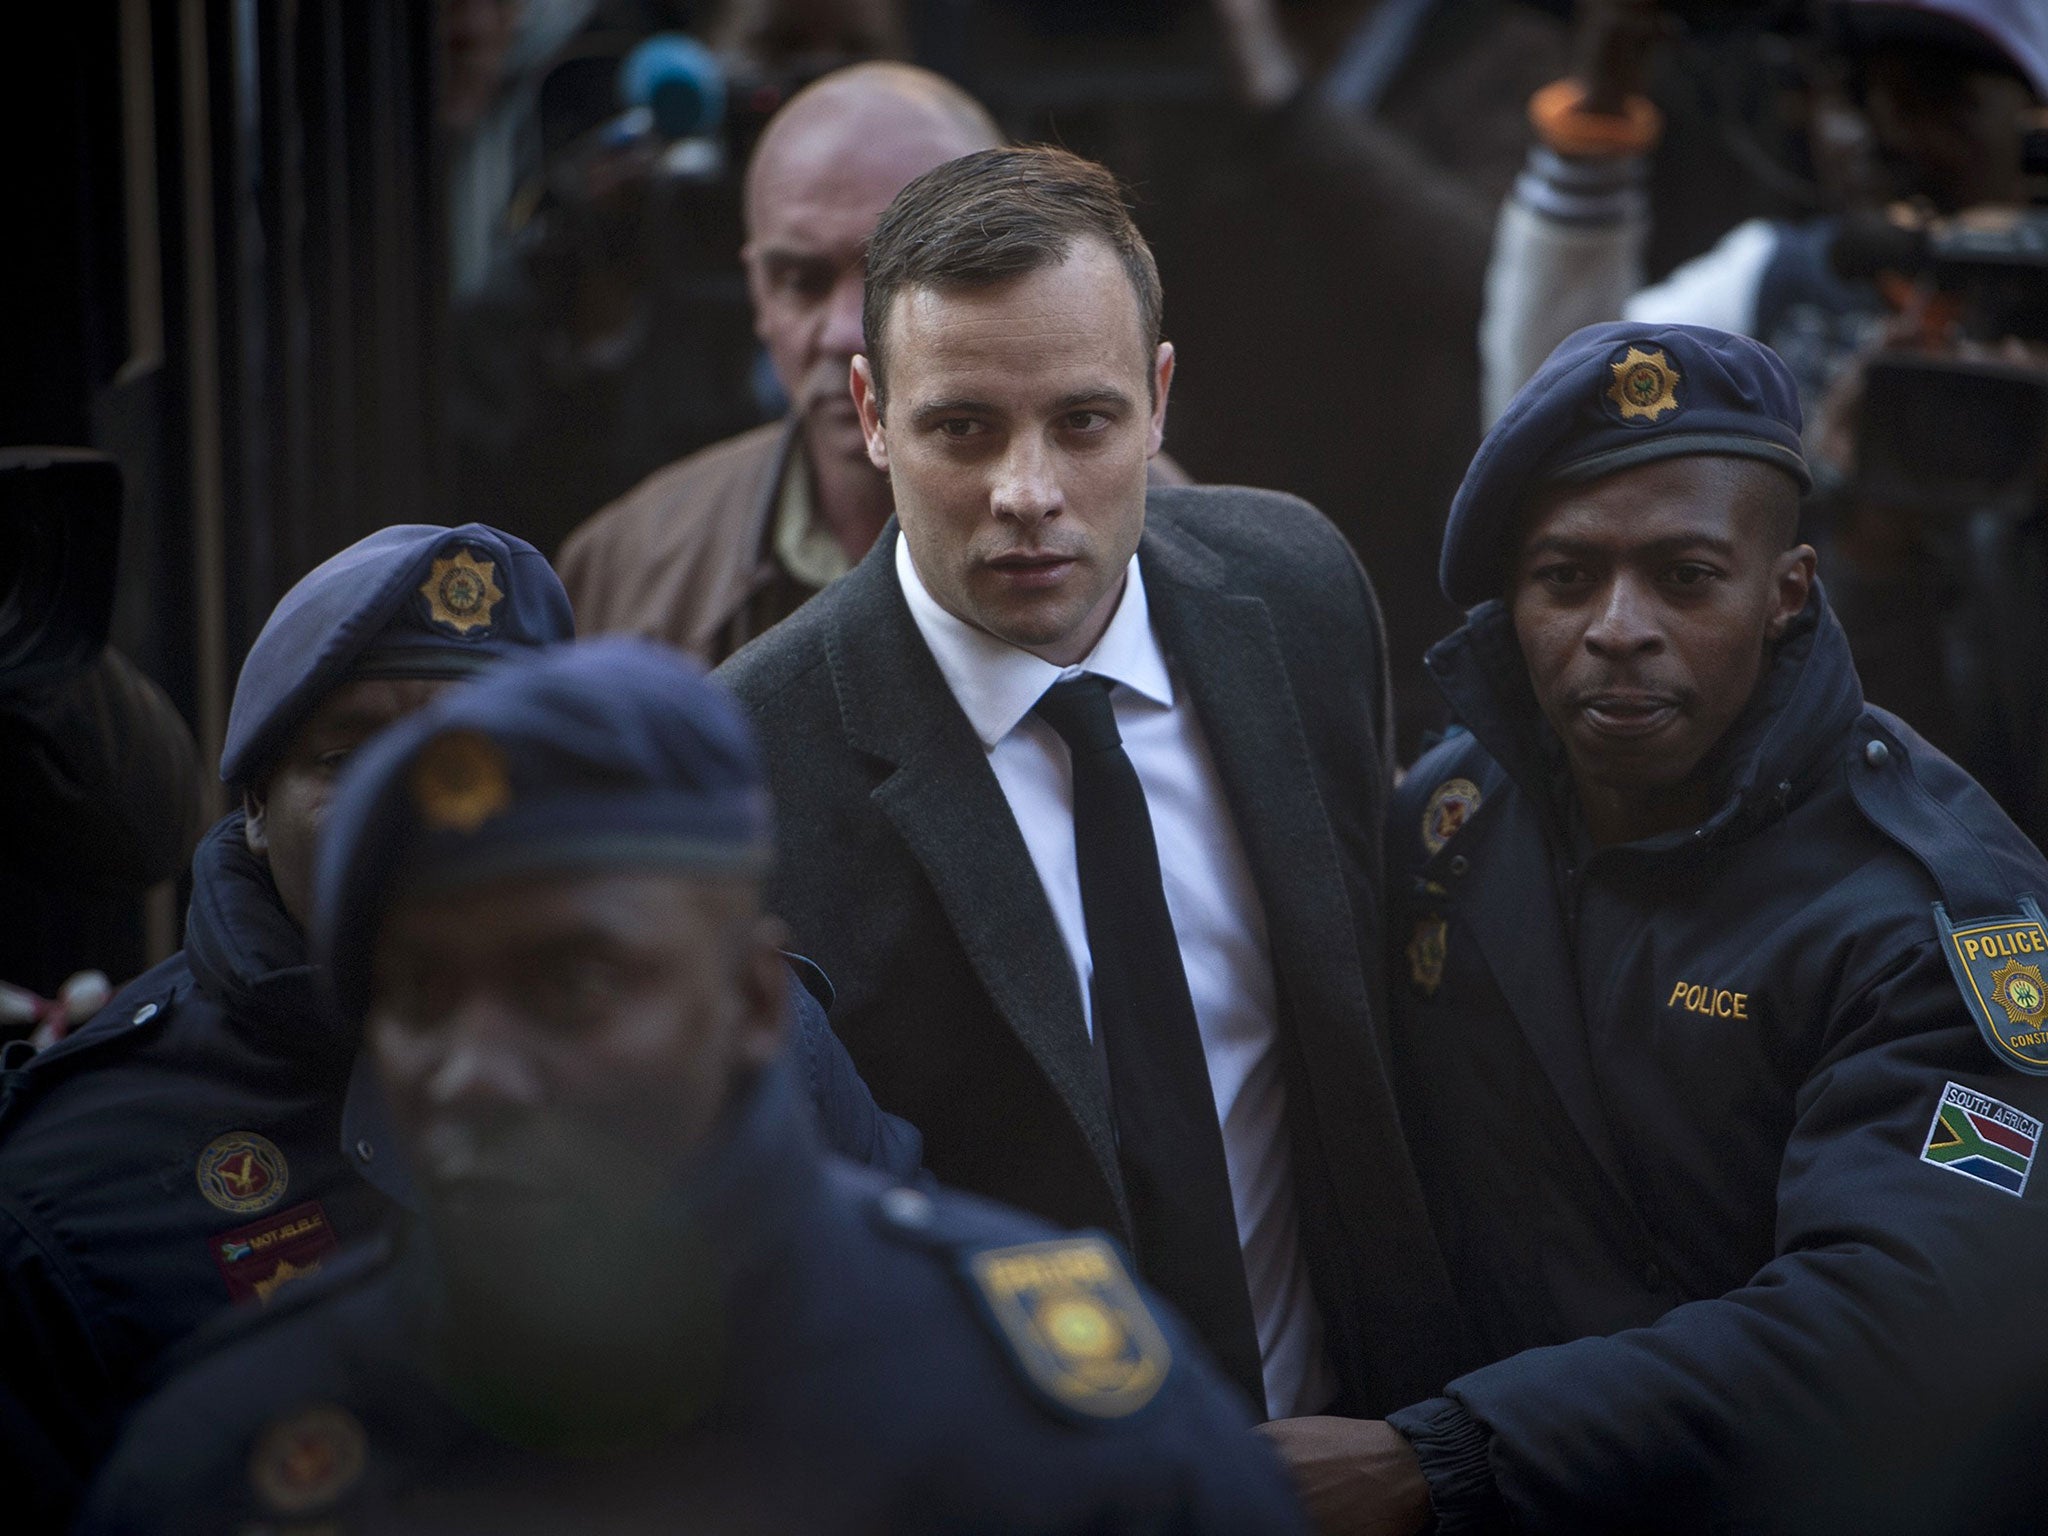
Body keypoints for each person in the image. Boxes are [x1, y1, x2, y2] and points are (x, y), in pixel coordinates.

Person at [80, 638, 1309, 1536]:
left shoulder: (1050, 1429)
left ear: (753, 1003)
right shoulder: (238, 1458)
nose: (474, 1072)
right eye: (418, 996)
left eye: (574, 985)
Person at [717, 145, 1472, 1439]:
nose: (1029, 493)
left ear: (1159, 398)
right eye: (963, 427)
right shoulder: (751, 760)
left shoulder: (1294, 593)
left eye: (1083, 421)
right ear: (871, 410)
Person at [0, 525, 913, 1532]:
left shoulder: (739, 1029)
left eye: (471, 757)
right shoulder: (77, 1173)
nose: (422, 813)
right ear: (258, 800)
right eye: (352, 757)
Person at [1291, 322, 2048, 1534]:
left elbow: (1907, 1325)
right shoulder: (1451, 818)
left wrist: (1438, 1459)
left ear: (1783, 592)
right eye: (1565, 577)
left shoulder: (1936, 912)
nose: (1616, 625)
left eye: (1684, 577)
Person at [554, 62, 1002, 659]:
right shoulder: (627, 570)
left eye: (899, 275)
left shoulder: (1153, 550)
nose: (845, 331)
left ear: (1011, 275)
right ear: (758, 293)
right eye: (800, 280)